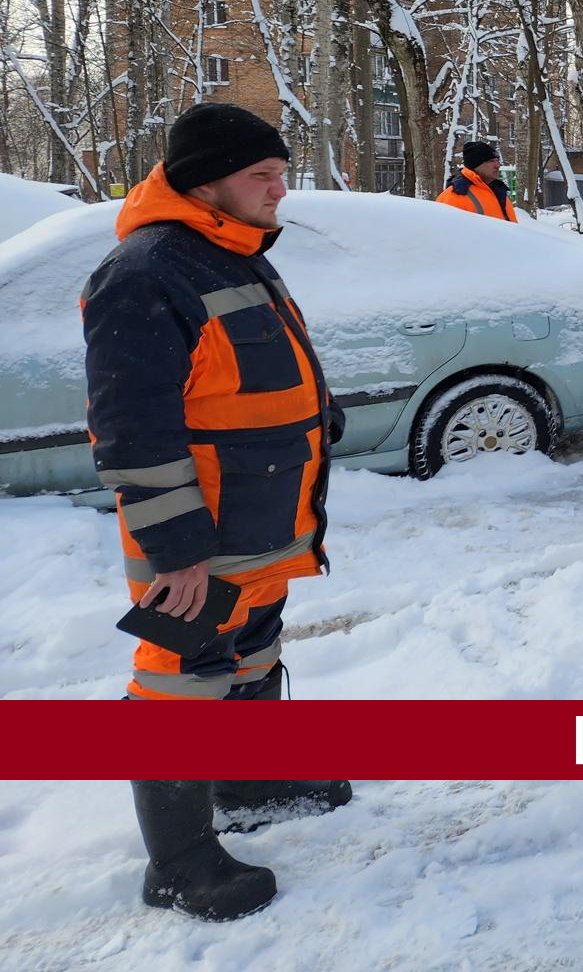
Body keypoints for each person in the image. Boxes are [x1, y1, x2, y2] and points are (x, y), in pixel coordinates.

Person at [82, 103, 351, 921]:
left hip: (261, 515)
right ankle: (178, 861)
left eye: (280, 173)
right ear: (208, 185)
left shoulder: (231, 248)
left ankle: (246, 780)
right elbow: (132, 429)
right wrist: (175, 551)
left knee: (252, 651)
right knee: (182, 679)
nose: (281, 189)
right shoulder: (146, 272)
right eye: (261, 177)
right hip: (197, 535)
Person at [436, 140, 518, 221]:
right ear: (475, 165)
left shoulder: (498, 191)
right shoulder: (455, 196)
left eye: (497, 160)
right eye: (491, 161)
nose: (497, 165)